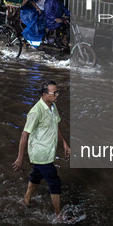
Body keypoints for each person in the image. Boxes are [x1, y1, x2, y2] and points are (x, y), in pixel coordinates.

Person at [13, 80, 71, 218]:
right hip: (40, 152)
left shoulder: (52, 107)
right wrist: (20, 158)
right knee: (54, 181)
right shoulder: (36, 111)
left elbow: (55, 124)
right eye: (54, 92)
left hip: (48, 151)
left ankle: (26, 199)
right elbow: (24, 134)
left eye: (57, 92)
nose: (57, 95)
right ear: (45, 94)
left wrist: (64, 143)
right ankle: (59, 215)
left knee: (37, 175)